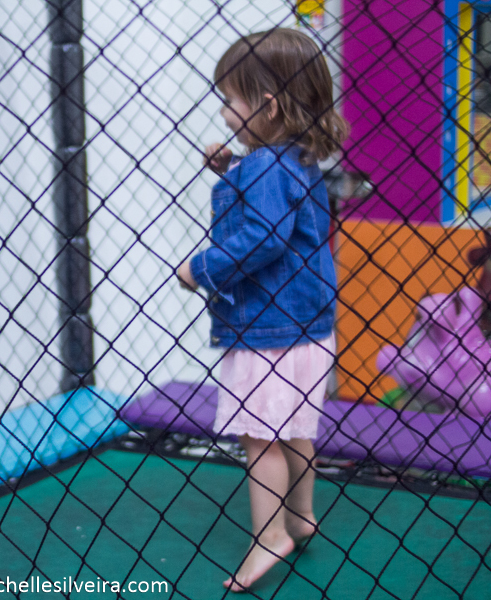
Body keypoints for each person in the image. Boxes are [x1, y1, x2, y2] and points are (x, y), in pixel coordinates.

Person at [176, 28, 348, 592]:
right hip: (308, 326)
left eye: (231, 100)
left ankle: (270, 535)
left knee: (260, 436)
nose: (224, 112)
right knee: (296, 428)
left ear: (268, 106)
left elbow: (263, 235)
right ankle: (300, 516)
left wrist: (200, 268)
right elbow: (280, 221)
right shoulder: (293, 159)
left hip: (268, 331)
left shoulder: (266, 167)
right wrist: (232, 171)